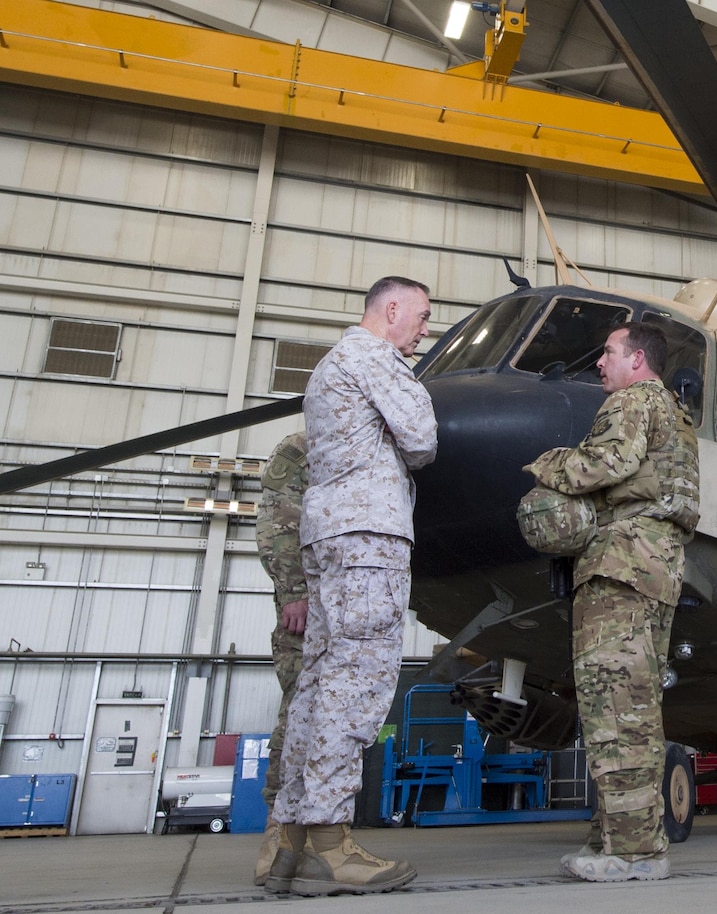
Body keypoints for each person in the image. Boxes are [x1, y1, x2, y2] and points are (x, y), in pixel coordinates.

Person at [265, 276, 438, 897]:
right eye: (420, 316)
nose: (424, 331)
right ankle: (332, 844)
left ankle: (286, 844)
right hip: (370, 537)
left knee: (316, 681)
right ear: (390, 309)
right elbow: (421, 440)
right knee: (356, 678)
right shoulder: (373, 358)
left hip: (325, 537)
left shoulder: (327, 367)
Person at [524, 321, 700, 883]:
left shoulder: (632, 401)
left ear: (638, 360)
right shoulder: (673, 412)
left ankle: (634, 853)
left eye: (607, 352)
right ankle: (619, 840)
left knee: (614, 713)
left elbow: (604, 465)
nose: (599, 363)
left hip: (620, 568)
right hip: (656, 568)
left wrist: (544, 464)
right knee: (634, 711)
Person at [252, 430, 309, 886]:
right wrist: (295, 592)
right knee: (300, 706)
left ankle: (331, 832)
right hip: (309, 601)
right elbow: (278, 521)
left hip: (358, 599)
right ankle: (281, 829)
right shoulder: (304, 447)